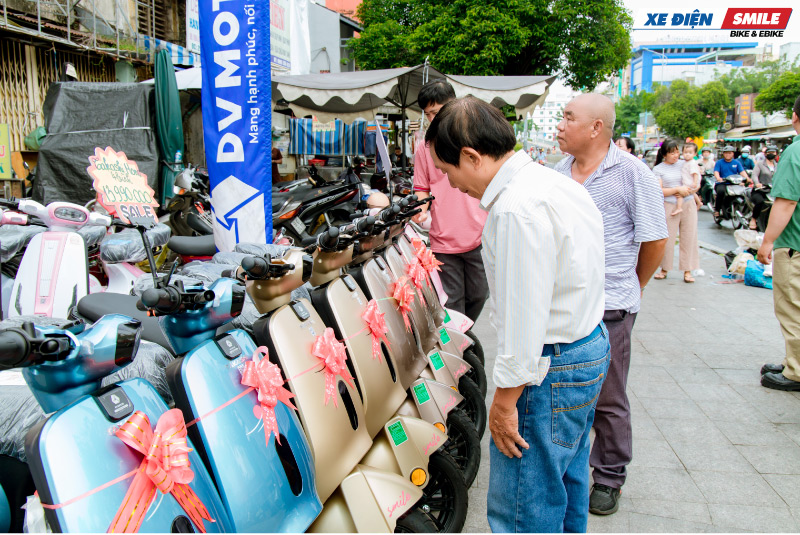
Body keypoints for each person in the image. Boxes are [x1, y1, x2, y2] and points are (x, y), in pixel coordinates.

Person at [425, 96, 608, 533]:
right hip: (587, 346)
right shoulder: (554, 183)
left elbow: (526, 319)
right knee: (564, 483)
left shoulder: (514, 209)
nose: (450, 185)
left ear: (471, 156)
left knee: (525, 507)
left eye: (448, 173)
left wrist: (505, 403)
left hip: (549, 367)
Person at [554, 93, 668, 516]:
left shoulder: (633, 174)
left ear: (596, 127)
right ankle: (573, 467)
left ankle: (609, 476)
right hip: (566, 305)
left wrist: (630, 289)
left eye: (568, 117)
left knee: (608, 397)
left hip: (611, 308)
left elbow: (655, 239)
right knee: (568, 390)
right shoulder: (558, 172)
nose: (561, 125)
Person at [412, 81, 489, 322]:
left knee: (480, 294)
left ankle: (463, 338)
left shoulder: (473, 139)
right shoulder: (424, 148)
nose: (433, 118)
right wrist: (420, 209)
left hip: (479, 235)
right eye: (428, 114)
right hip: (444, 239)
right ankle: (460, 348)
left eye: (437, 111)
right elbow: (422, 189)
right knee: (453, 304)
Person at [758, 95, 800, 391]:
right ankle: (792, 359)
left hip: (795, 245)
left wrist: (767, 242)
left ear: (795, 118)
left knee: (792, 308)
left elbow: (786, 203)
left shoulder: (795, 152)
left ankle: (795, 370)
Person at [651, 140, 700, 283]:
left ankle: (688, 270)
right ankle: (664, 268)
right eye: (672, 153)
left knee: (689, 237)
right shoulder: (658, 169)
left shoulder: (685, 163)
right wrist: (677, 190)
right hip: (669, 205)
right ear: (665, 154)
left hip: (687, 203)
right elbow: (659, 191)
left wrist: (690, 191)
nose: (676, 155)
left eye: (677, 152)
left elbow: (695, 181)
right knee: (668, 238)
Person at [713, 145, 749, 219]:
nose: (728, 155)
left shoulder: (737, 163)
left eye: (729, 153)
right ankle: (717, 209)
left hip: (734, 183)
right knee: (721, 192)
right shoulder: (719, 162)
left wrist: (747, 178)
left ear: (733, 154)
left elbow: (742, 172)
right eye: (726, 153)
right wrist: (718, 178)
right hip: (722, 183)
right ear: (723, 154)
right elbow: (716, 171)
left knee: (743, 192)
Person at [668, 141, 702, 216]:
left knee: (680, 194)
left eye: (690, 153)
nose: (687, 154)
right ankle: (699, 202)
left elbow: (695, 173)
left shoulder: (692, 163)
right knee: (692, 193)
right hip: (689, 183)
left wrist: (695, 182)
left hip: (690, 183)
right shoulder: (685, 162)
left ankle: (679, 207)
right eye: (685, 152)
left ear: (695, 154)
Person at [750, 145, 779, 230]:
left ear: (776, 154)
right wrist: (757, 183)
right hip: (760, 190)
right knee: (760, 202)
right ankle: (753, 219)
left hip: (772, 191)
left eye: (773, 152)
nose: (771, 154)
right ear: (765, 154)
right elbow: (754, 175)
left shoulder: (778, 165)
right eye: (769, 152)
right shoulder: (760, 164)